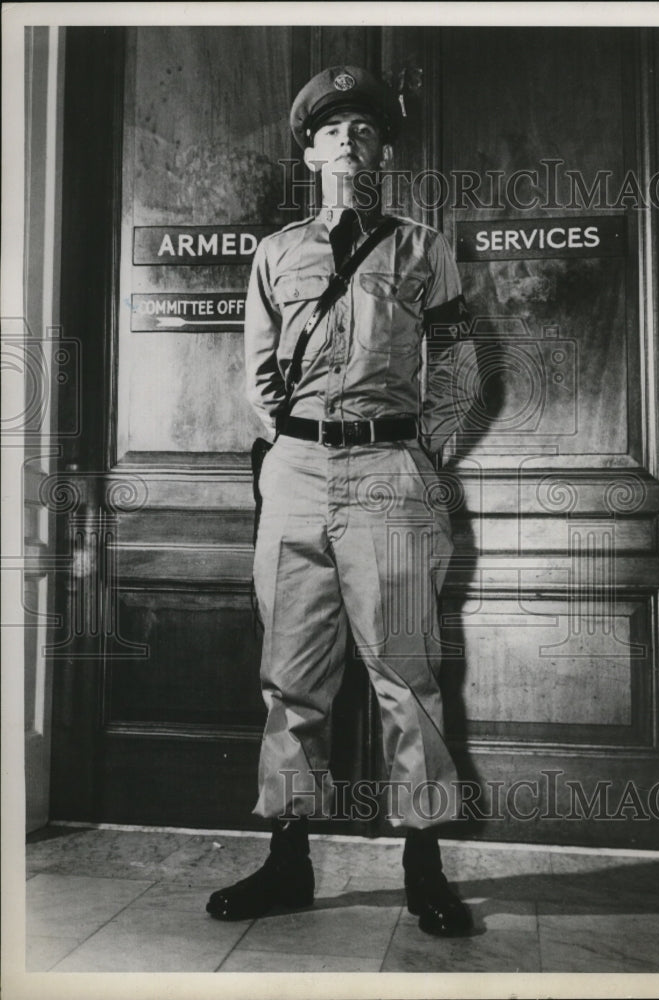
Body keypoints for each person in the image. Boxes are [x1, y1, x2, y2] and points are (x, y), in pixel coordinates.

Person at [206, 65, 477, 937]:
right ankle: (287, 862)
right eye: (331, 134)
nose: (348, 145)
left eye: (363, 132)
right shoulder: (277, 253)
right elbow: (257, 375)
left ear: (383, 152)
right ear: (310, 153)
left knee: (405, 673)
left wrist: (416, 446)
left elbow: (457, 366)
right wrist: (298, 444)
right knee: (290, 680)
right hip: (295, 472)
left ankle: (423, 867)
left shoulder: (421, 247)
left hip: (388, 473)